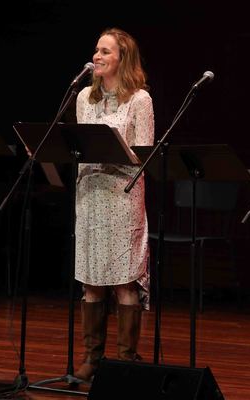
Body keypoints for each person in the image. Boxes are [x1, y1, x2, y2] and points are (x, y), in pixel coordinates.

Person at [73, 28, 154, 381]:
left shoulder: (139, 100)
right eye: (96, 50)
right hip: (90, 195)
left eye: (105, 51)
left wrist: (112, 149)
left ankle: (124, 362)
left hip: (122, 196)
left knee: (123, 281)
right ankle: (92, 358)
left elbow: (144, 153)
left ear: (123, 59)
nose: (97, 56)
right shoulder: (82, 99)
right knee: (91, 280)